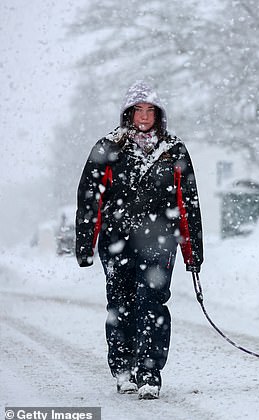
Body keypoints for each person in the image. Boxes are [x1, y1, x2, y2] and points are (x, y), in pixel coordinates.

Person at [75, 81, 203, 400]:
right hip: (116, 240)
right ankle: (122, 367)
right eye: (138, 110)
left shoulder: (173, 150)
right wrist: (85, 244)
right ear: (128, 113)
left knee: (152, 302)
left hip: (160, 241)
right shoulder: (108, 148)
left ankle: (149, 371)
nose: (144, 116)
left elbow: (188, 203)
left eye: (150, 110)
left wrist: (193, 252)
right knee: (121, 303)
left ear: (159, 115)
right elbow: (90, 198)